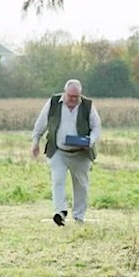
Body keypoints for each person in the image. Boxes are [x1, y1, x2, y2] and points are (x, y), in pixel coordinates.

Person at [31, 79, 101, 226]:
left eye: (76, 97)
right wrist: (36, 141)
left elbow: (96, 127)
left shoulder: (88, 106)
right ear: (65, 93)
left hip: (81, 153)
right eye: (71, 96)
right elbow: (41, 123)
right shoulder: (54, 103)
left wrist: (90, 140)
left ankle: (79, 216)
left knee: (81, 185)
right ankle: (60, 212)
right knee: (58, 181)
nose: (73, 100)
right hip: (58, 151)